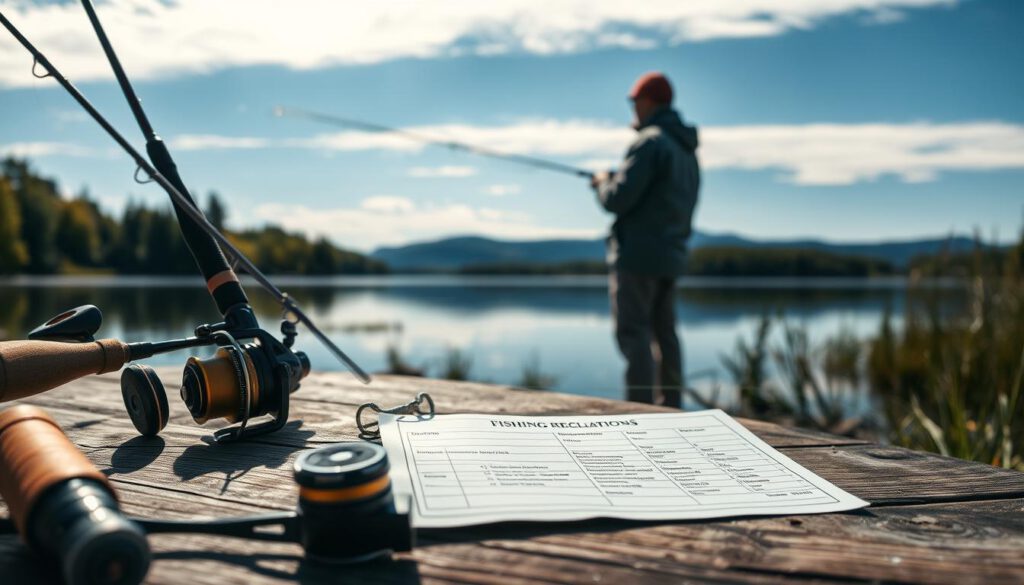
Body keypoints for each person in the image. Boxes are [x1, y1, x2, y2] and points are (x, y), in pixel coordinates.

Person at [590, 72, 700, 408]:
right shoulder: (686, 152)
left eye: (633, 101)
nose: (632, 109)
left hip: (637, 257)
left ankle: (639, 414)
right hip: (672, 258)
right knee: (665, 334)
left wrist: (601, 183)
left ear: (648, 102)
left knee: (634, 333)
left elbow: (617, 200)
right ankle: (671, 408)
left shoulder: (650, 143)